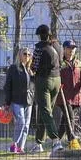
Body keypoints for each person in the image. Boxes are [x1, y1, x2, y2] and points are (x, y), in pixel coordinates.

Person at [55, 39, 81, 150]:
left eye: (73, 48)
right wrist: (57, 84)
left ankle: (56, 141)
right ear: (64, 49)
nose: (71, 50)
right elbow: (54, 76)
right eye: (69, 48)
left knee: (65, 120)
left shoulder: (78, 63)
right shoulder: (59, 62)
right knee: (70, 117)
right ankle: (72, 141)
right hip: (62, 96)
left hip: (76, 97)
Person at [30, 24, 62, 153]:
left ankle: (56, 140)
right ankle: (38, 143)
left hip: (44, 81)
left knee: (45, 111)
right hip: (57, 80)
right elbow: (62, 60)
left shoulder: (39, 48)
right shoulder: (58, 46)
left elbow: (34, 66)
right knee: (45, 112)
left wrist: (30, 68)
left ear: (40, 35)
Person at [2, 48, 34, 153]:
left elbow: (33, 85)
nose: (27, 56)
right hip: (17, 100)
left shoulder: (30, 69)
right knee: (21, 122)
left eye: (29, 54)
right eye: (25, 54)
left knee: (26, 125)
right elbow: (8, 86)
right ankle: (13, 145)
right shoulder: (13, 68)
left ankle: (21, 147)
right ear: (19, 55)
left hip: (28, 101)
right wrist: (7, 103)